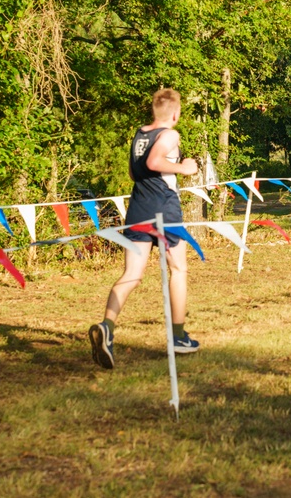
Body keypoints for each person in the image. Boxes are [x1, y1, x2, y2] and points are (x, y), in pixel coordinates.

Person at [89, 89, 200, 370]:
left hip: (137, 208)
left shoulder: (140, 135)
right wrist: (185, 168)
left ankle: (107, 327)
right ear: (175, 114)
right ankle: (178, 336)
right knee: (179, 270)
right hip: (164, 210)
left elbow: (134, 171)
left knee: (132, 274)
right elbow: (153, 163)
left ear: (154, 110)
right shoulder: (170, 135)